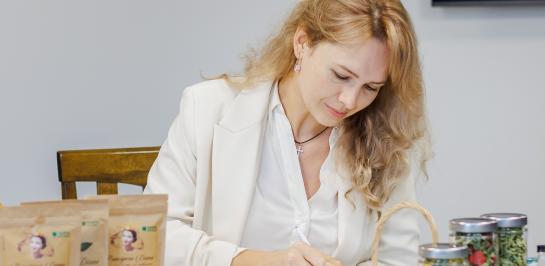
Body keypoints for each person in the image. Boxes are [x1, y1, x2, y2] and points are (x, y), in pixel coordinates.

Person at [144, 0, 431, 265]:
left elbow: (398, 259)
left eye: (371, 88)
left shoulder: (384, 140)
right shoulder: (206, 109)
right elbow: (153, 235)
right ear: (302, 43)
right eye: (342, 76)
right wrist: (254, 261)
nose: (350, 101)